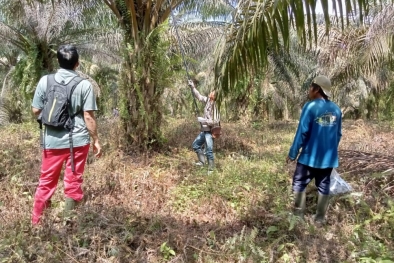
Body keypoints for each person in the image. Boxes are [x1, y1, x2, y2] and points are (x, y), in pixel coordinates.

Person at [31, 44, 102, 225]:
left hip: (52, 142)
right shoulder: (85, 85)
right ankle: (68, 223)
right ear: (77, 64)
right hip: (77, 142)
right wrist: (96, 140)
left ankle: (37, 223)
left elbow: (35, 110)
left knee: (46, 182)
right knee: (73, 180)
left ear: (58, 61)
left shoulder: (45, 81)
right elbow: (88, 116)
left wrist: (50, 119)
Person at [286, 75, 342, 226]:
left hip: (308, 157)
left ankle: (298, 217)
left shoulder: (310, 107)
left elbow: (302, 133)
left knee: (299, 183)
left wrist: (293, 153)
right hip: (328, 159)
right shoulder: (336, 110)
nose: (309, 90)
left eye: (311, 86)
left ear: (317, 89)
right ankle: (320, 219)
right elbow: (337, 135)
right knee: (324, 186)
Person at [188, 79, 220, 172]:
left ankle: (211, 169)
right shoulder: (207, 101)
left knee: (209, 150)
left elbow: (216, 120)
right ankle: (202, 162)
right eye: (211, 92)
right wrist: (193, 87)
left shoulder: (216, 106)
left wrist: (204, 120)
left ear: (215, 97)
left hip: (210, 131)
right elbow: (199, 96)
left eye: (213, 93)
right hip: (204, 131)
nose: (211, 93)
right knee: (195, 145)